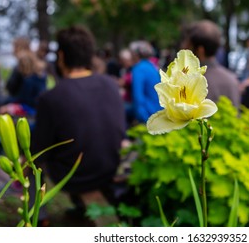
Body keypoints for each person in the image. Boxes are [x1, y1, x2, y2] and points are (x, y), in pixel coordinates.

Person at [31, 25, 126, 221]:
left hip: (74, 176)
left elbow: (39, 150)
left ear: (62, 56)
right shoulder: (110, 84)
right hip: (109, 167)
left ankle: (38, 220)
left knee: (30, 163)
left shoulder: (51, 97)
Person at [181, 20, 240, 107]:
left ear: (200, 50)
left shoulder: (191, 82)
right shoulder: (232, 80)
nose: (184, 48)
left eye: (188, 45)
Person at [129, 40, 162, 124]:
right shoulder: (151, 66)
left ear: (135, 54)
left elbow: (137, 97)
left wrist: (141, 118)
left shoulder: (138, 69)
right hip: (158, 112)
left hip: (147, 115)